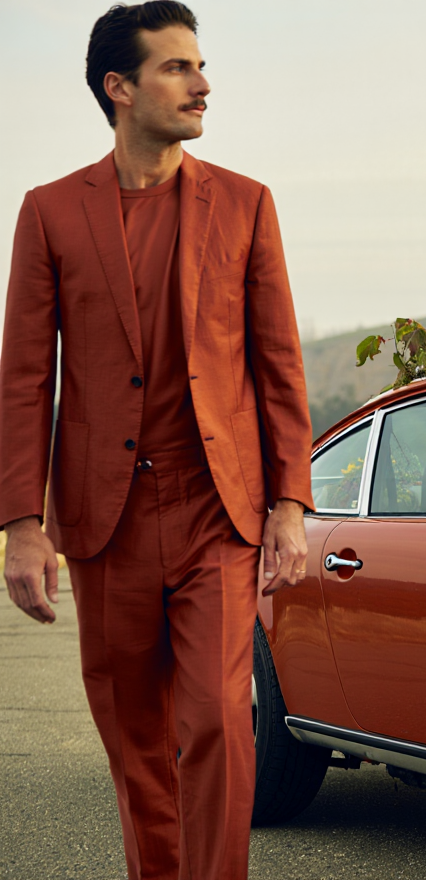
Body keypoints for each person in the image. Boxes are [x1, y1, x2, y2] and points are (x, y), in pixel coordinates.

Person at [0, 3, 315, 878]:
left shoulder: (246, 204)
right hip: (107, 520)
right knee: (132, 730)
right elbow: (25, 376)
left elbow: (278, 361)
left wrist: (289, 503)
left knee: (217, 717)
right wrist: (22, 526)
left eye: (200, 65)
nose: (202, 83)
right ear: (120, 87)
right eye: (177, 67)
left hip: (216, 505)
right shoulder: (50, 213)